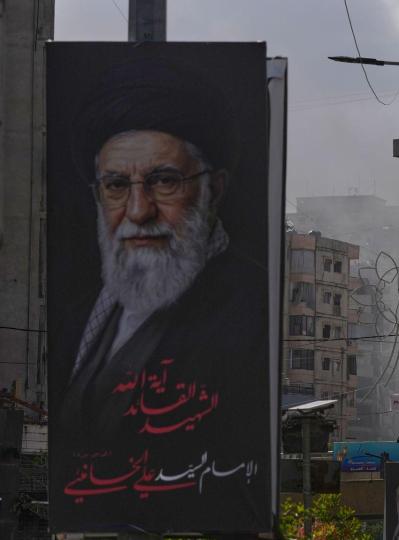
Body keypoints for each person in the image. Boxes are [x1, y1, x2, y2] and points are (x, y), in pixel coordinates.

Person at [48, 54, 269, 531]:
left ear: (215, 189)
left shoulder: (254, 313)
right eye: (115, 185)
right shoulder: (78, 315)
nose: (138, 210)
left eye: (164, 181)